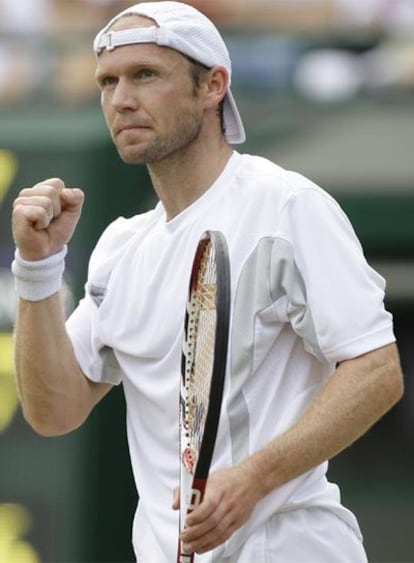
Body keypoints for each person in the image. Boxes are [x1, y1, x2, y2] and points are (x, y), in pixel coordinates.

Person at [11, 2, 404, 562]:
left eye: (146, 75)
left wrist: (251, 481)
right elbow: (54, 412)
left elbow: (376, 370)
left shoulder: (286, 206)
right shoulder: (122, 248)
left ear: (212, 85)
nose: (121, 99)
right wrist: (38, 270)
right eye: (108, 81)